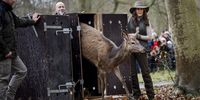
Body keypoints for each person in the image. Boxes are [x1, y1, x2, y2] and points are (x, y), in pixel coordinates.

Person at [0, 0, 40, 99]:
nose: (15, 0)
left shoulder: (8, 10)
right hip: (4, 53)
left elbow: (18, 21)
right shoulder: (0, 10)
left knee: (22, 71)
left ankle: (9, 97)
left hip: (11, 51)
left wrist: (33, 21)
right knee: (3, 80)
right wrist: (6, 51)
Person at [127, 0, 155, 99]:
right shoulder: (130, 20)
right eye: (138, 8)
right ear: (135, 9)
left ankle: (151, 95)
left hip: (142, 49)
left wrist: (138, 36)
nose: (139, 10)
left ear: (144, 10)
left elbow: (150, 37)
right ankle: (136, 94)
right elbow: (127, 33)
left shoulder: (147, 21)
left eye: (141, 9)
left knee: (145, 72)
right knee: (133, 74)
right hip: (131, 49)